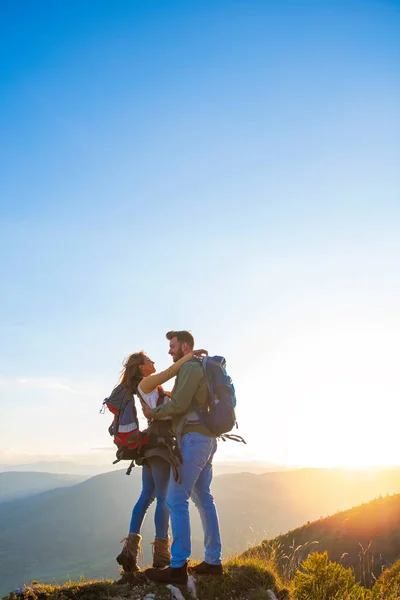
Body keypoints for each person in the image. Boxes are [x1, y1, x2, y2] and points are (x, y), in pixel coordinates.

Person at [115, 347, 206, 573]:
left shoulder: (154, 388)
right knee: (163, 498)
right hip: (159, 445)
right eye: (148, 359)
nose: (152, 360)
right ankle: (162, 556)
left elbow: (174, 398)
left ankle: (129, 552)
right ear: (140, 367)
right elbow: (172, 370)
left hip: (152, 445)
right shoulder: (145, 384)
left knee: (147, 495)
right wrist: (191, 356)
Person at [143, 330, 223, 586]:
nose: (169, 350)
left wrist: (153, 413)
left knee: (176, 499)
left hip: (194, 440)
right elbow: (184, 402)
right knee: (203, 498)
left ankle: (177, 567)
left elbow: (178, 406)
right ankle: (213, 561)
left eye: (172, 346)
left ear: (184, 346)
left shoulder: (189, 367)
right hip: (207, 440)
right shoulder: (198, 368)